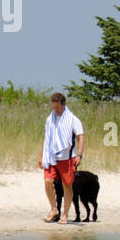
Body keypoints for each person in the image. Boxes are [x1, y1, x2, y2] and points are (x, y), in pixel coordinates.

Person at [38, 92, 84, 223]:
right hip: (51, 156)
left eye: (58, 107)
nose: (56, 110)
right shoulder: (49, 119)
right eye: (53, 107)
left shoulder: (73, 119)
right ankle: (54, 209)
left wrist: (79, 155)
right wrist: (41, 155)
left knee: (67, 185)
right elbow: (47, 139)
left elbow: (81, 137)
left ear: (64, 105)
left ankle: (65, 214)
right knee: (48, 181)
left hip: (67, 157)